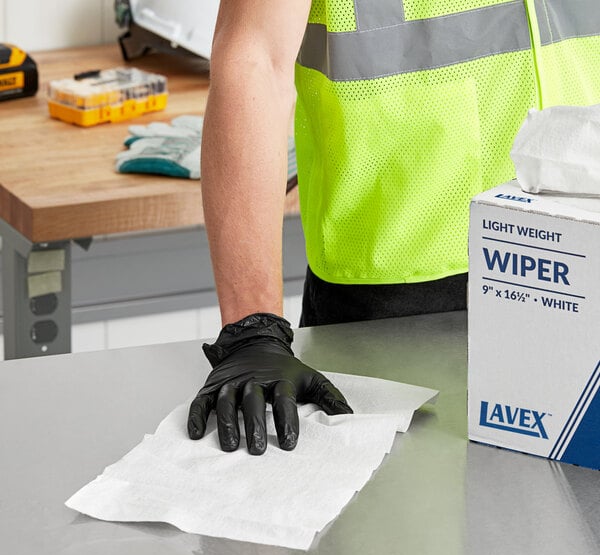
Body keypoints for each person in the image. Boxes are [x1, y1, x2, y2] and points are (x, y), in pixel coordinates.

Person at [187, 0, 600, 454]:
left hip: (584, 258)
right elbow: (256, 61)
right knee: (396, 514)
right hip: (395, 298)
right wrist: (252, 328)